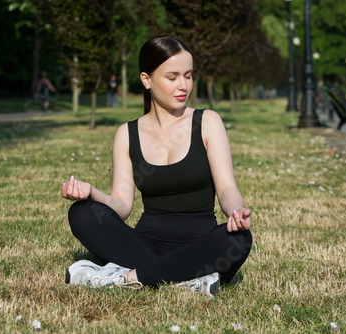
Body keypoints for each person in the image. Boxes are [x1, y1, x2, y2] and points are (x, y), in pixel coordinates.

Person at [61, 35, 252, 298]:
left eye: (188, 75)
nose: (183, 85)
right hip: (144, 243)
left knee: (239, 240)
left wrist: (236, 212)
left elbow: (227, 188)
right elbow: (121, 205)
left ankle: (127, 277)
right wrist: (90, 192)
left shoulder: (207, 122)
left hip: (199, 245)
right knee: (82, 213)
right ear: (146, 79)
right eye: (172, 77)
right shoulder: (127, 134)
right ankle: (184, 278)